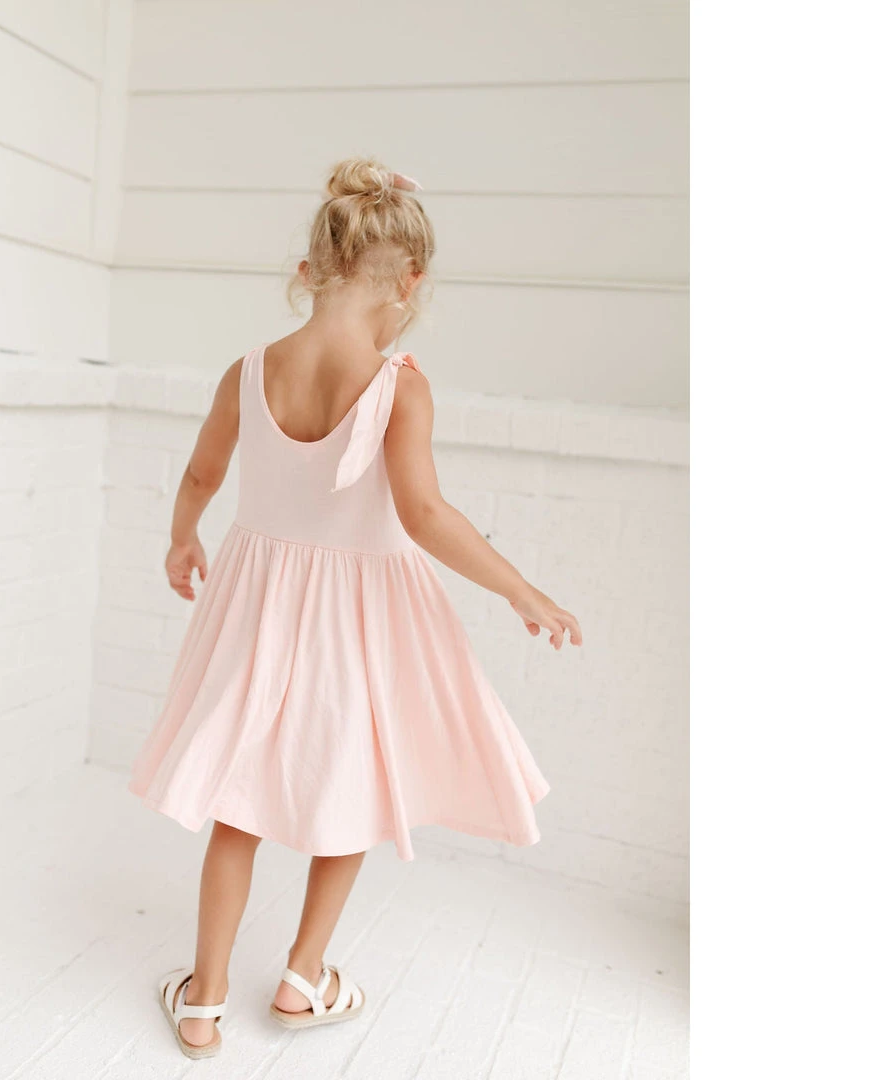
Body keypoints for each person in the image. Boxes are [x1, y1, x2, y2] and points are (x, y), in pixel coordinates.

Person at [129, 157, 582, 1059]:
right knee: (353, 782)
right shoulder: (397, 384)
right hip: (357, 619)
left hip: (258, 609)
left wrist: (183, 537)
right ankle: (302, 980)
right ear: (411, 282)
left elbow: (203, 473)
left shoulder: (250, 370)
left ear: (309, 269)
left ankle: (204, 1001)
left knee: (239, 800)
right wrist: (518, 587)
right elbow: (425, 515)